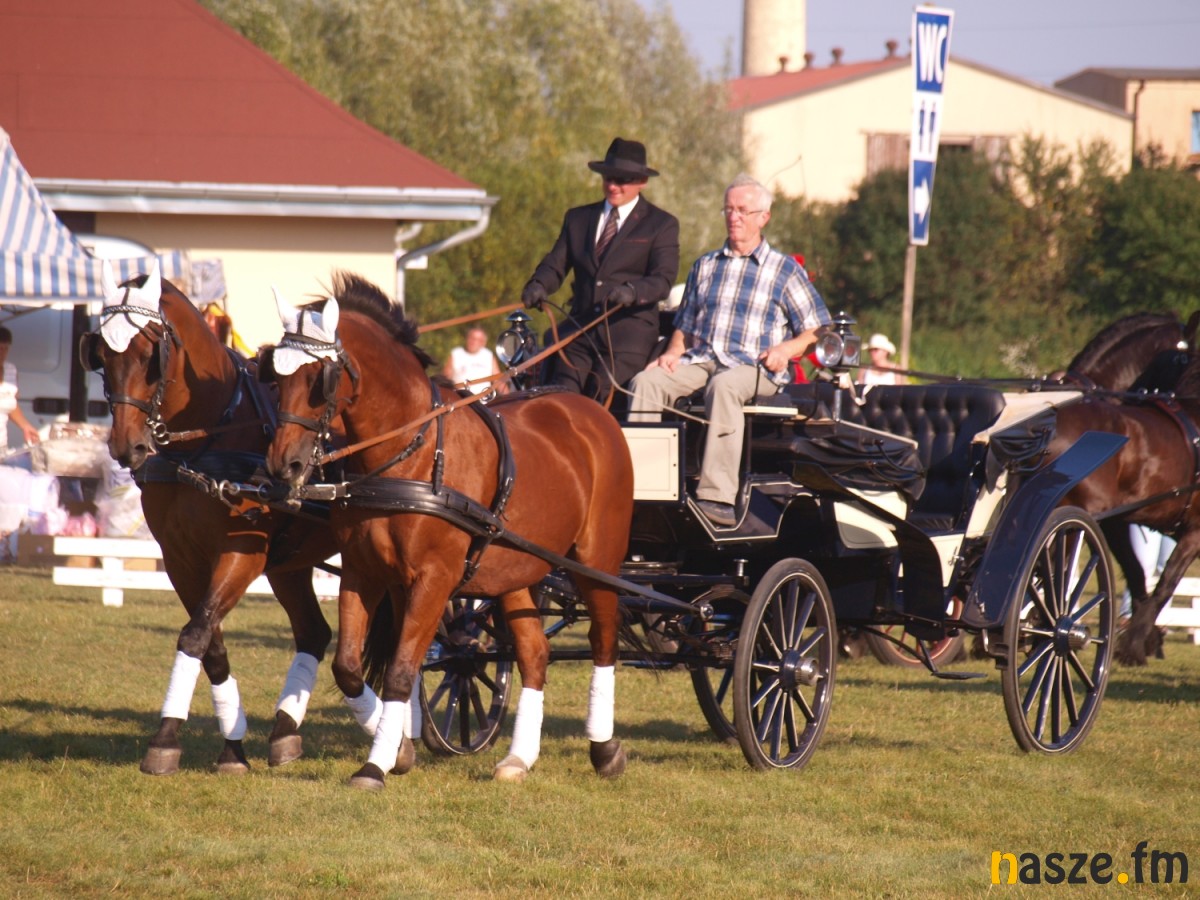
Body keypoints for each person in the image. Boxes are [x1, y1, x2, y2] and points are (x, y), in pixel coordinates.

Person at [628, 174, 831, 528]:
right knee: (646, 382)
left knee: (723, 386)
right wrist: (672, 352)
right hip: (703, 358)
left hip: (755, 366)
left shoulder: (784, 270)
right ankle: (640, 484)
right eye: (729, 209)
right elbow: (685, 328)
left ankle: (717, 497)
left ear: (763, 217)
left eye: (742, 210)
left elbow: (817, 329)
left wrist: (786, 349)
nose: (733, 217)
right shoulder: (705, 265)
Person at [521, 137, 680, 404]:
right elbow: (555, 264)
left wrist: (633, 291)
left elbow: (662, 279)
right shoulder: (578, 218)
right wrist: (538, 284)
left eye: (622, 180)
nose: (613, 186)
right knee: (560, 399)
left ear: (642, 181)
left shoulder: (661, 224)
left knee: (599, 400)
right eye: (608, 178)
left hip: (627, 337)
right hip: (579, 331)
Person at [0, 326, 41, 454]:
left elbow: (10, 403)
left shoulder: (11, 370)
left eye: (6, 348)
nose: (2, 353)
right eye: (0, 348)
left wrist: (25, 426)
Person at [442, 326, 504, 395]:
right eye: (471, 338)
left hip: (483, 398)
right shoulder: (456, 354)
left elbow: (498, 381)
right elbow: (445, 380)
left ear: (483, 343)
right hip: (460, 398)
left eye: (477, 340)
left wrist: (508, 396)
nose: (473, 342)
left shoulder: (488, 355)